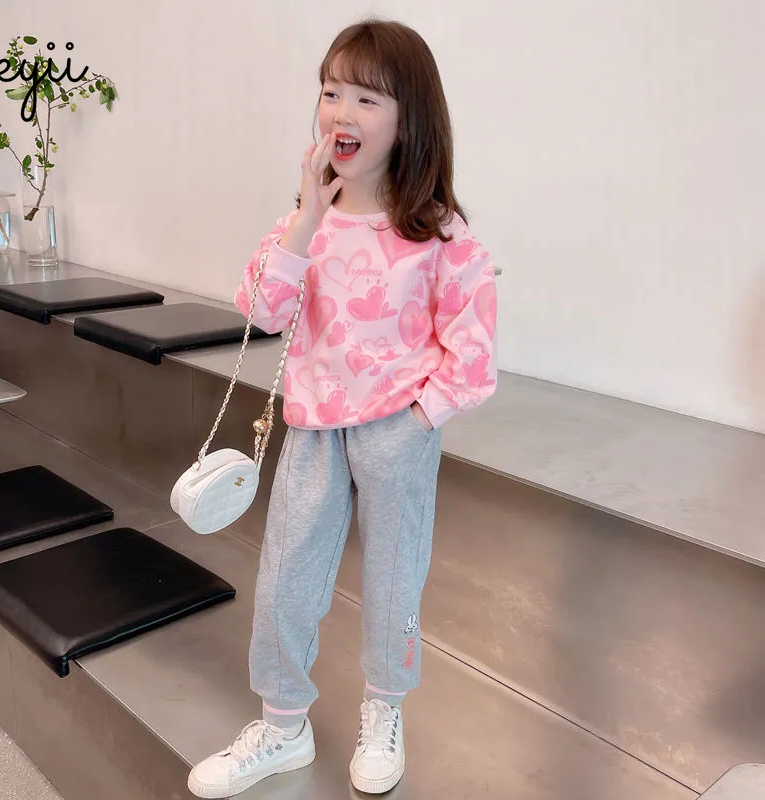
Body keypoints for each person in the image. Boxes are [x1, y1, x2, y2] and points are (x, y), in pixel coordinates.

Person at [188, 16, 498, 798]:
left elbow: (474, 354)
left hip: (397, 431)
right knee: (285, 582)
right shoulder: (305, 225)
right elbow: (261, 310)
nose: (341, 112)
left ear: (409, 118)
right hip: (313, 431)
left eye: (366, 97)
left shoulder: (440, 235)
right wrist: (306, 218)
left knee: (394, 585)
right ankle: (282, 726)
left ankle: (384, 710)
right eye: (331, 92)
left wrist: (419, 422)